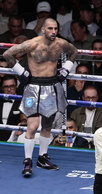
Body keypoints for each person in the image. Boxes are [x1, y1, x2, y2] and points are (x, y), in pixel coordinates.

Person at [3, 18, 78, 177]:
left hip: (52, 86)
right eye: (50, 28)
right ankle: (28, 160)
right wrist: (21, 72)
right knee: (32, 125)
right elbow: (8, 54)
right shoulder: (32, 43)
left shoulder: (60, 43)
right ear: (43, 29)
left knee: (48, 124)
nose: (53, 32)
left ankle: (42, 157)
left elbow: (74, 52)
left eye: (56, 29)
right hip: (33, 87)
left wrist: (66, 69)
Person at [0, 75, 21, 141]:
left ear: (16, 86)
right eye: (6, 87)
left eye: (11, 86)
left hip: (15, 138)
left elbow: (25, 119)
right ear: (2, 88)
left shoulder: (21, 101)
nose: (9, 90)